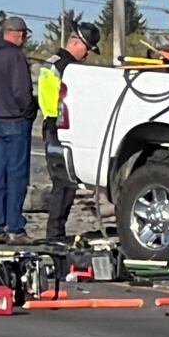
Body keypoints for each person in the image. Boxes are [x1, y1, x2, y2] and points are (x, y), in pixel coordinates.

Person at [0, 17, 36, 245]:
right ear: (19, 34)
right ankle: (15, 228)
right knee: (17, 176)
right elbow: (22, 91)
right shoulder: (16, 57)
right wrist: (28, 109)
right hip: (15, 122)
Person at [40, 21, 100, 242]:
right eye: (88, 49)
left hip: (51, 125)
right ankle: (55, 233)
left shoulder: (52, 62)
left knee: (63, 183)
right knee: (64, 184)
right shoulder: (69, 69)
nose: (87, 55)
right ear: (77, 43)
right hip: (60, 127)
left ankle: (55, 231)